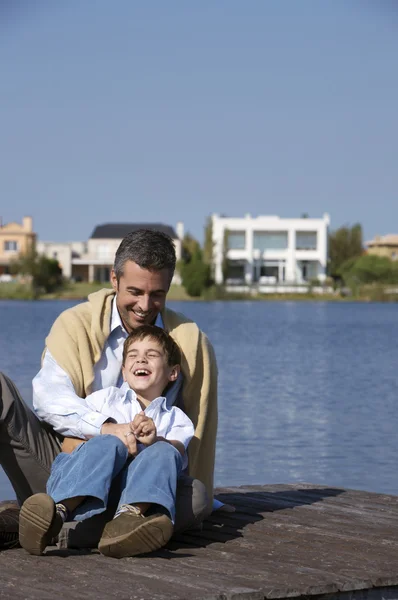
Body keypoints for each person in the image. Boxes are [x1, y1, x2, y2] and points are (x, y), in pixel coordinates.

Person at [0, 228, 218, 550]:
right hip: (70, 465)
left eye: (157, 293)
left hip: (140, 480)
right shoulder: (75, 325)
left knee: (198, 498)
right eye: (135, 291)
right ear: (114, 280)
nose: (145, 305)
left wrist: (154, 441)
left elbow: (186, 437)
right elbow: (49, 400)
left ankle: (42, 525)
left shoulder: (185, 342)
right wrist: (107, 429)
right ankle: (69, 516)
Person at [19, 325, 194, 558]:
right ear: (123, 371)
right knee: (110, 444)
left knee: (164, 451)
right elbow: (69, 444)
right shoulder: (105, 400)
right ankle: (57, 512)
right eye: (133, 355)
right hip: (85, 483)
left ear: (173, 372)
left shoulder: (176, 418)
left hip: (126, 495)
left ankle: (127, 522)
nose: (140, 360)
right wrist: (110, 441)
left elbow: (178, 451)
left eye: (151, 355)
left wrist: (154, 441)